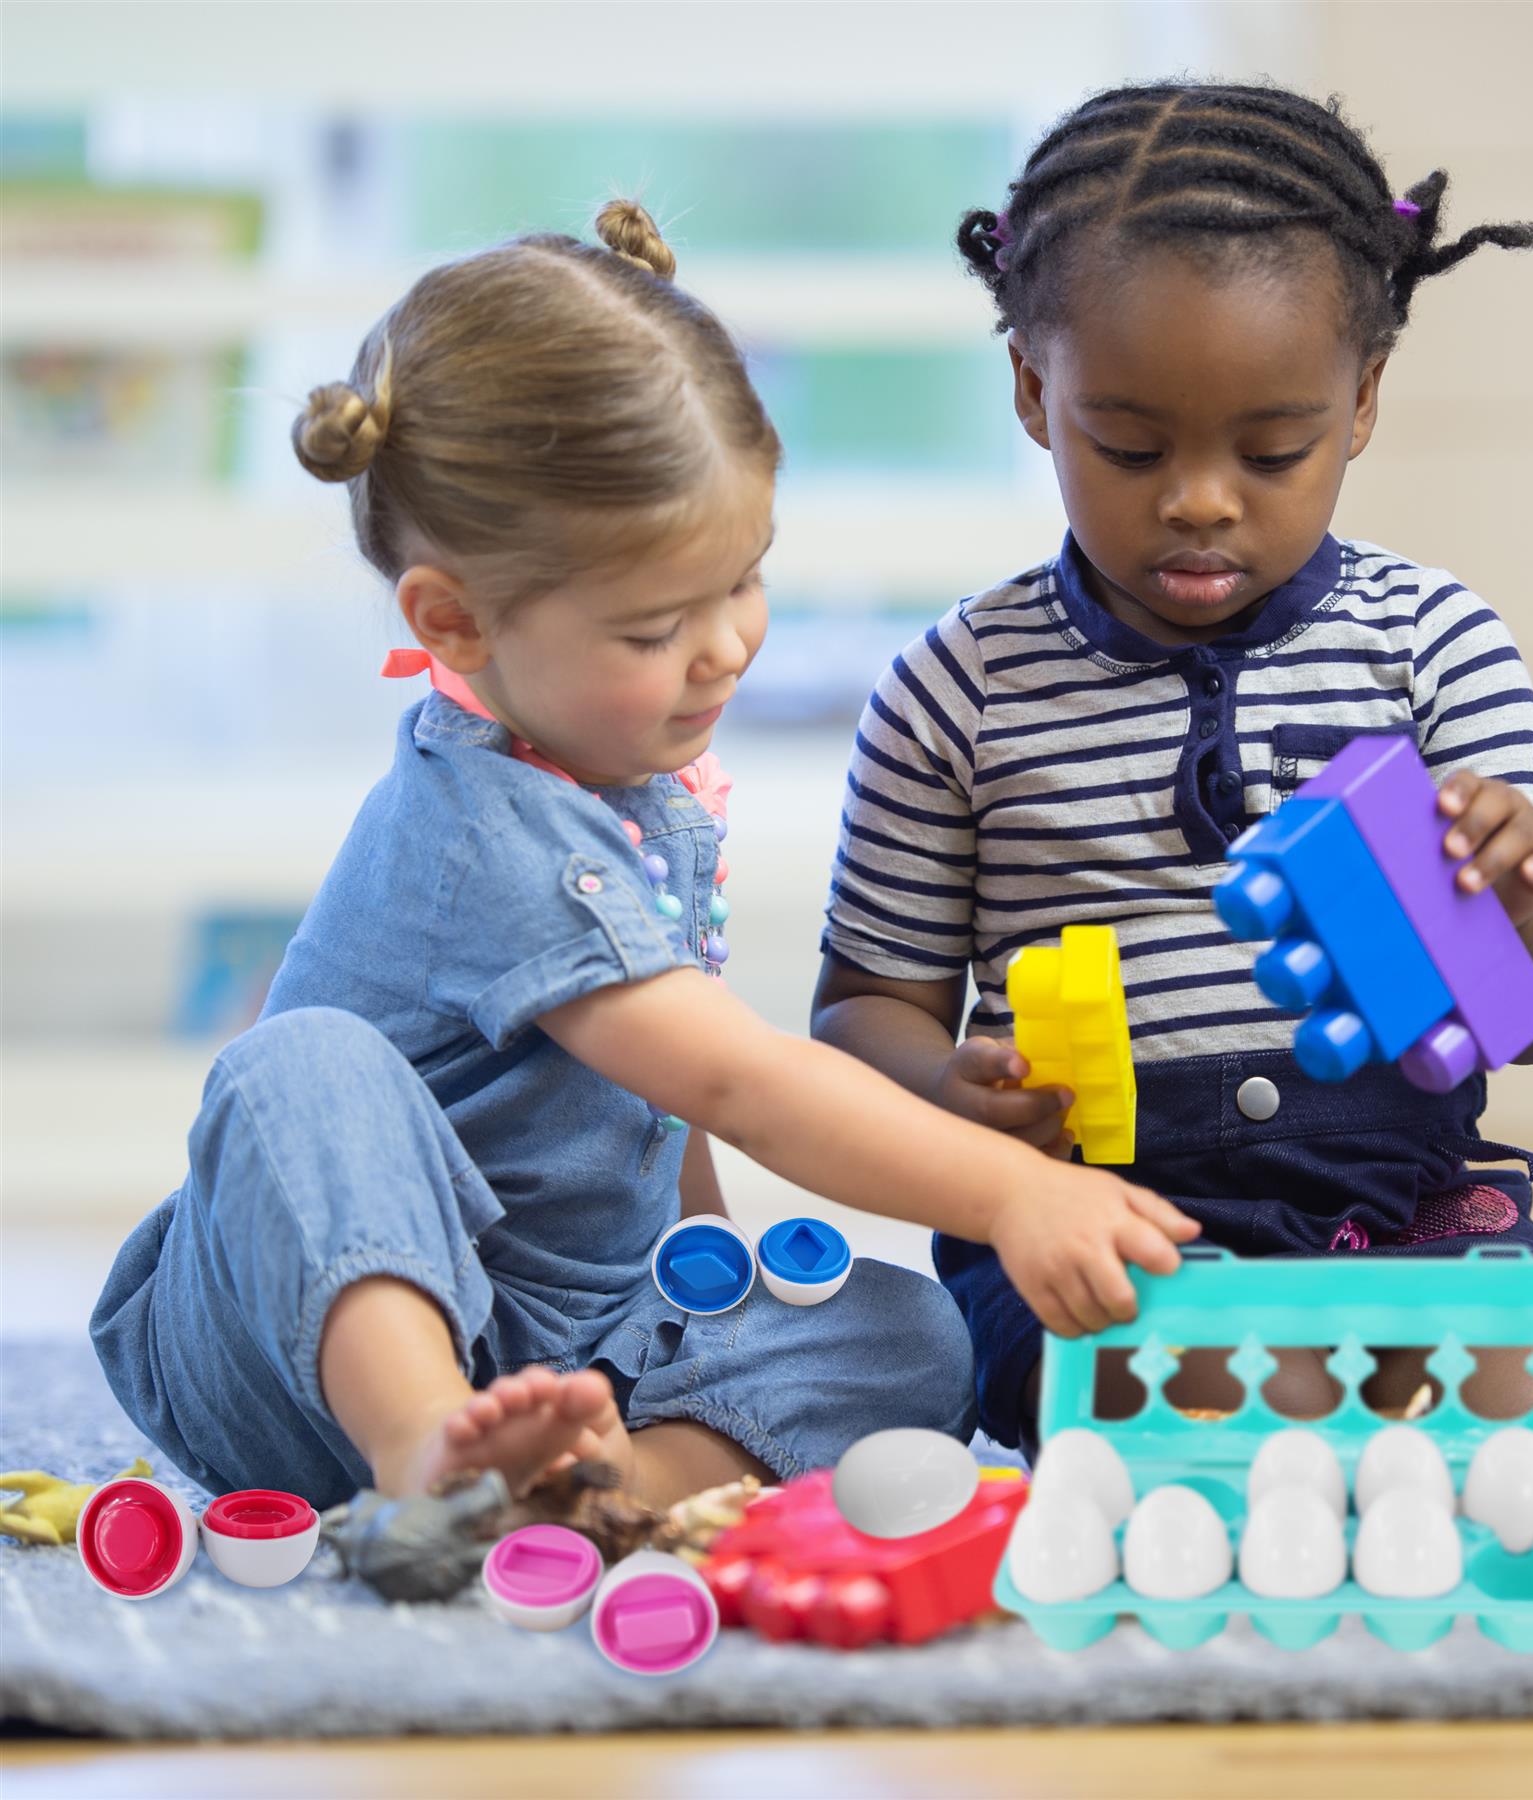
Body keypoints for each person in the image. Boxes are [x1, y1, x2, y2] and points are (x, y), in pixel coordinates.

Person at [91, 201, 1197, 1511]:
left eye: (746, 579)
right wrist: (1014, 1191)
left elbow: (662, 1110)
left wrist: (718, 1304)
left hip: (565, 1343)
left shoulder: (633, 785)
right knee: (296, 1066)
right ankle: (429, 1456)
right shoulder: (486, 831)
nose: (729, 645)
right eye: (661, 624)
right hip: (296, 1347)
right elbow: (739, 1080)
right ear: (455, 621)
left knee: (913, 1332)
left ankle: (607, 1486)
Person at [812, 84, 1533, 1452]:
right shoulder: (958, 688)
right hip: (1088, 1225)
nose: (1197, 497)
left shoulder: (1431, 645)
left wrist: (1521, 889)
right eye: (1128, 446)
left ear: (1359, 404)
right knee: (1153, 1392)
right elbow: (860, 1015)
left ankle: (1324, 1422)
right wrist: (959, 1095)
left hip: (1403, 1199)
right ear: (1029, 391)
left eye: (1271, 448)